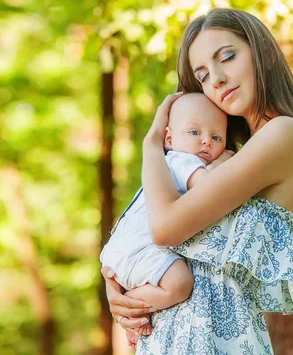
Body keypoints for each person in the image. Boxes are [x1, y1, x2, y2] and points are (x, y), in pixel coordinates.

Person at [101, 8, 293, 354]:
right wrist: (116, 286)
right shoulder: (224, 158)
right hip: (171, 335)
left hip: (220, 339)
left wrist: (151, 145)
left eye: (227, 57)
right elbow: (147, 230)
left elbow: (165, 228)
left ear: (265, 53)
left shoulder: (285, 133)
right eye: (203, 75)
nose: (217, 79)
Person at [100, 93, 234, 336]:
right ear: (169, 138)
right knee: (180, 284)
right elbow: (210, 186)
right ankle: (132, 306)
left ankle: (134, 317)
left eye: (216, 137)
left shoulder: (166, 165)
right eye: (195, 133)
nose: (206, 142)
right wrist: (224, 161)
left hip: (125, 247)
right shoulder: (181, 161)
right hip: (141, 248)